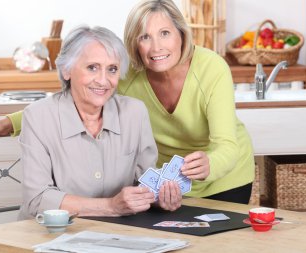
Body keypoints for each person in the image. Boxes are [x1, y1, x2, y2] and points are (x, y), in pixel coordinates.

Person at [0, 0, 254, 204]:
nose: (156, 47)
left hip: (222, 177)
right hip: (164, 185)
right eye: (145, 37)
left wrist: (210, 165)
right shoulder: (125, 74)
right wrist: (6, 124)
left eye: (165, 33)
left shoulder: (211, 68)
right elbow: (69, 101)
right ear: (134, 43)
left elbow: (226, 146)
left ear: (182, 33)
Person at [14, 25, 181, 219]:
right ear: (66, 70)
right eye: (92, 68)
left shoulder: (134, 113)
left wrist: (160, 199)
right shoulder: (38, 117)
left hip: (116, 235)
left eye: (112, 69)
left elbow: (145, 185)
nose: (103, 81)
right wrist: (110, 206)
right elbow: (37, 200)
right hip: (49, 234)